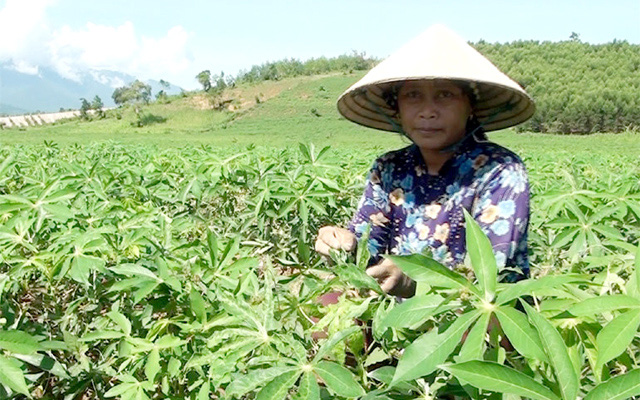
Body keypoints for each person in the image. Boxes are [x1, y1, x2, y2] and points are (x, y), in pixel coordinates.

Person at [315, 25, 535, 298]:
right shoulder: (388, 168)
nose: (428, 111)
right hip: (395, 312)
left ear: (471, 106)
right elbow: (367, 249)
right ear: (397, 109)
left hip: (474, 314)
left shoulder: (500, 171)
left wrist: (415, 282)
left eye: (445, 94)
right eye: (413, 95)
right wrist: (341, 243)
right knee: (326, 304)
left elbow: (492, 274)